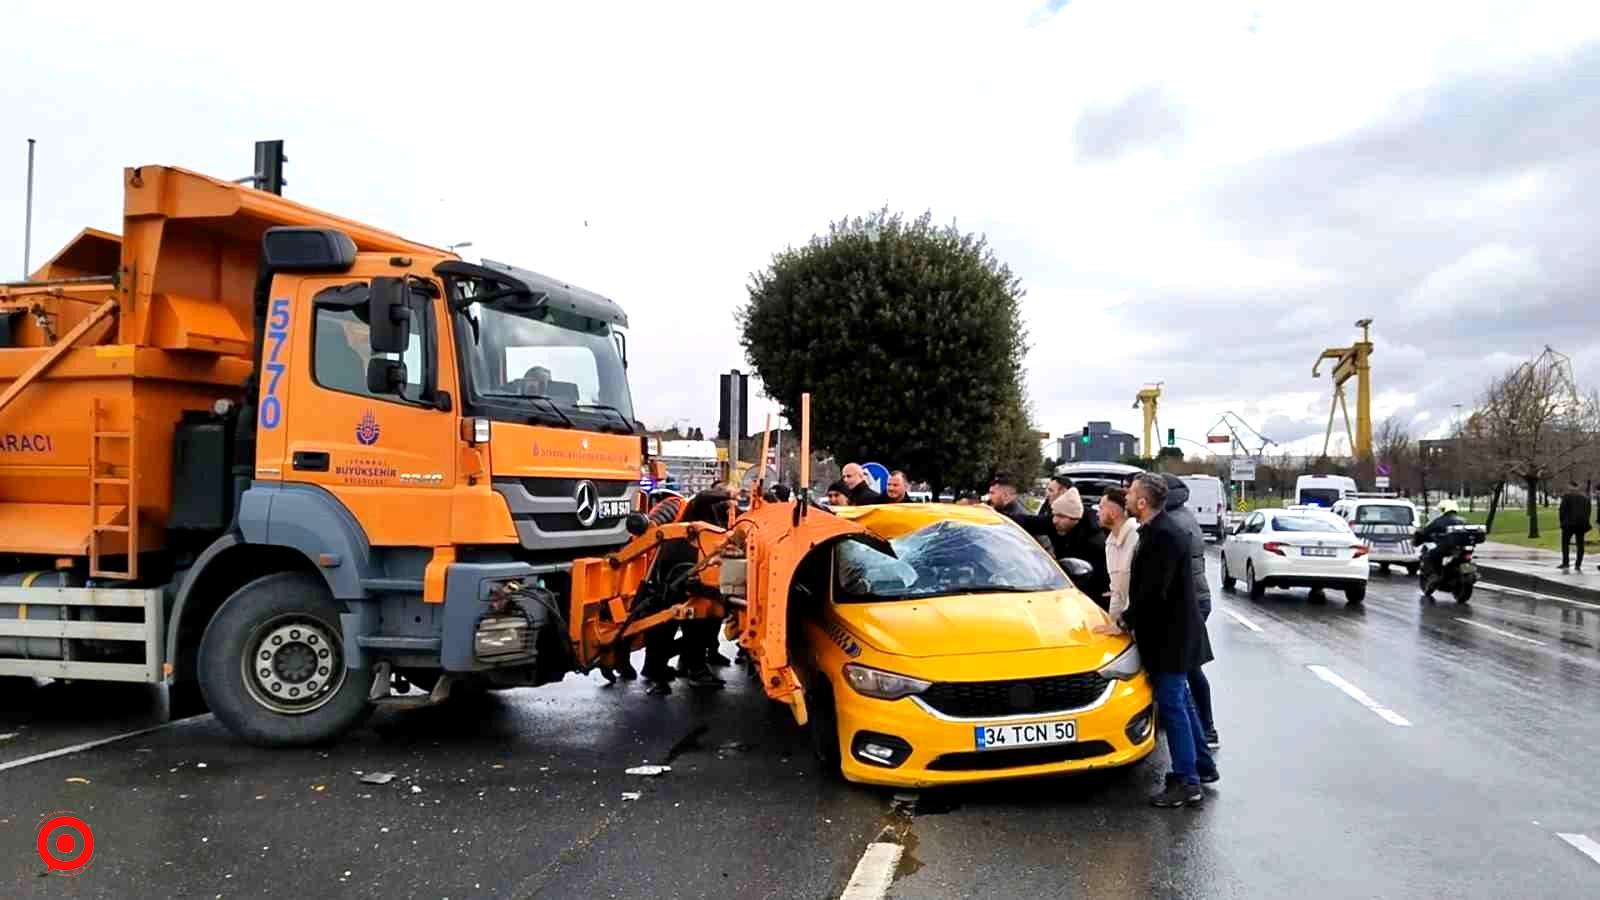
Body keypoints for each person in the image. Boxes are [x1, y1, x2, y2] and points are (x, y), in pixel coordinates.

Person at [1124, 473, 1217, 808]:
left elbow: (1152, 593)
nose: (1126, 496)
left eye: (1131, 493)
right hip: (1176, 635)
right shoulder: (1160, 531)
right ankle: (1202, 767)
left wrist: (1124, 621)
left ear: (1143, 502)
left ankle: (1187, 781)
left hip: (1170, 638)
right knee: (1182, 702)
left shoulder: (1163, 536)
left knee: (1174, 706)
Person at [1162, 474, 1219, 750]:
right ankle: (1204, 727)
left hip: (1192, 601)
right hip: (1196, 598)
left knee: (1188, 666)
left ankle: (1206, 728)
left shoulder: (1174, 522)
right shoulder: (1180, 514)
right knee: (1188, 666)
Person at [1047, 490, 1109, 605]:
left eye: (1060, 516)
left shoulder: (1095, 543)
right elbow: (1028, 521)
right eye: (1054, 514)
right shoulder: (1059, 524)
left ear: (1074, 518)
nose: (1054, 520)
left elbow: (1092, 579)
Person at [1094, 486, 1139, 633]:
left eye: (1101, 507)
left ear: (1113, 513)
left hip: (1141, 623)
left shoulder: (1137, 538)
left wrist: (1121, 624)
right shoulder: (1110, 542)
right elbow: (1116, 592)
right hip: (1125, 624)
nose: (1097, 512)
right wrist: (1114, 624)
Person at [1418, 498, 1465, 575]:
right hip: (1460, 548)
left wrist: (1421, 534)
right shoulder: (1463, 521)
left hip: (1445, 548)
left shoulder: (1440, 521)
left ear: (1444, 509)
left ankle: (1435, 575)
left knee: (1429, 556)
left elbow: (1426, 531)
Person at [1559, 481, 1591, 572]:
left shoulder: (1566, 497)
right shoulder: (1585, 498)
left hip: (1568, 524)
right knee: (1580, 544)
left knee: (1565, 543)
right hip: (1581, 524)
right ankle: (1578, 564)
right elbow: (1588, 512)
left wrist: (1562, 522)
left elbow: (1562, 511)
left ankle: (1566, 563)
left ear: (1570, 487)